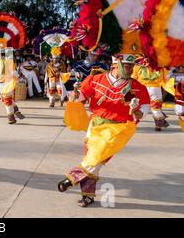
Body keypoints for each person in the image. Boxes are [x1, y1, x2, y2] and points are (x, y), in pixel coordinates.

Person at [57, 54, 150, 207]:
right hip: (95, 125)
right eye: (127, 66)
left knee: (96, 158)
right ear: (115, 66)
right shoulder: (95, 79)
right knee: (93, 160)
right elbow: (82, 97)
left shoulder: (137, 87)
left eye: (132, 67)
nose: (131, 70)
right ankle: (87, 196)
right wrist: (75, 95)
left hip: (118, 129)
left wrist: (136, 110)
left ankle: (71, 178)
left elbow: (144, 110)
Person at [0, 48, 25, 124]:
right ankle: (11, 118)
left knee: (5, 100)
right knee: (8, 102)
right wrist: (18, 77)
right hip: (5, 85)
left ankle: (16, 110)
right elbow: (14, 73)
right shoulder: (8, 61)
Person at [131, 58, 169, 132]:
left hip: (142, 88)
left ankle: (133, 123)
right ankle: (159, 125)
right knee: (156, 107)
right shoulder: (160, 63)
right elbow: (165, 77)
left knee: (137, 105)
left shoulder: (138, 63)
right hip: (155, 88)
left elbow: (133, 77)